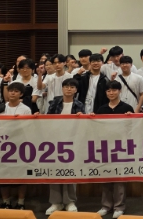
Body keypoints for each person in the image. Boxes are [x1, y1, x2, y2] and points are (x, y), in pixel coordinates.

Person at [94, 81, 132, 218]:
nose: (111, 93)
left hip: (121, 147)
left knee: (119, 178)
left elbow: (133, 128)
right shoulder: (101, 109)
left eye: (114, 90)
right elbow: (96, 128)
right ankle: (106, 206)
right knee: (106, 177)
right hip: (105, 146)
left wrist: (131, 118)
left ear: (120, 91)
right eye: (108, 90)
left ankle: (119, 207)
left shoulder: (127, 108)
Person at [45, 78, 83, 215]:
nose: (69, 89)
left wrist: (81, 117)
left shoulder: (79, 105)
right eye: (66, 86)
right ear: (62, 88)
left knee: (70, 171)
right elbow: (47, 120)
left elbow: (82, 125)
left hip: (72, 141)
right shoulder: (54, 103)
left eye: (72, 87)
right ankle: (56, 202)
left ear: (76, 90)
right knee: (55, 171)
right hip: (54, 141)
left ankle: (70, 201)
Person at [0, 82, 32, 210]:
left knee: (21, 175)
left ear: (21, 94)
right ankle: (6, 202)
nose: (12, 93)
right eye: (10, 91)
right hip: (2, 144)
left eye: (16, 91)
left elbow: (29, 127)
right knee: (4, 174)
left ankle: (21, 202)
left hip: (20, 144)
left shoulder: (25, 109)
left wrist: (18, 122)